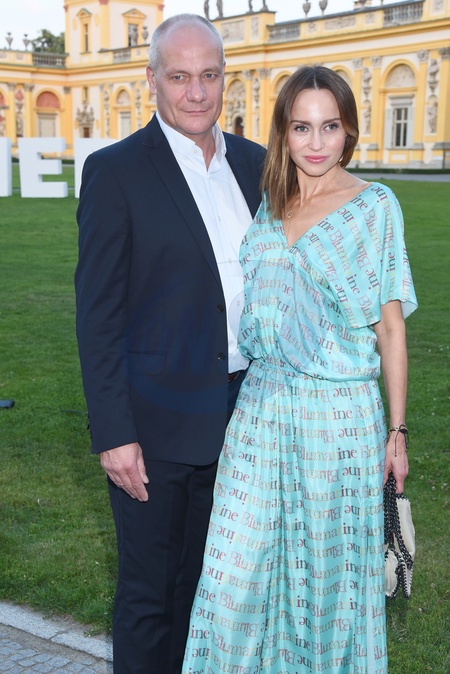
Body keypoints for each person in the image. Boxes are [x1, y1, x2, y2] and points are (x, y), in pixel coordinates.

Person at [182, 65, 417, 673]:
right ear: (283, 133)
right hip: (260, 412)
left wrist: (396, 433)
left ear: (349, 131)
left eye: (330, 127)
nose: (316, 142)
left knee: (323, 593)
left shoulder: (373, 207)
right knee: (231, 581)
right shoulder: (270, 203)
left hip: (337, 420)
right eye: (302, 127)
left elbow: (390, 328)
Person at [75, 13, 265, 674]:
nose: (196, 92)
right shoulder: (116, 171)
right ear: (152, 79)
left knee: (212, 594)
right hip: (154, 426)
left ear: (224, 78)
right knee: (150, 597)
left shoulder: (255, 164)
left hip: (247, 418)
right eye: (180, 76)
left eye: (209, 75)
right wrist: (113, 434)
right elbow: (97, 317)